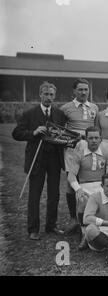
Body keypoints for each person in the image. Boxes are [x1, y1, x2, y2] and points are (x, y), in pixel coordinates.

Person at [12, 81, 67, 240]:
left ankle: (51, 225)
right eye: (46, 94)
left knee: (54, 194)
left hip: (54, 159)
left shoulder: (59, 114)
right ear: (40, 95)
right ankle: (33, 229)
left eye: (51, 95)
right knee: (35, 194)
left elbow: (63, 134)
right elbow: (17, 133)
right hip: (37, 158)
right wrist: (34, 132)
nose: (49, 97)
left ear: (54, 96)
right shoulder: (30, 113)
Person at [67, 126, 108, 249]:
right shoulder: (79, 152)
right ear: (86, 139)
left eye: (97, 138)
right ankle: (84, 234)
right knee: (82, 201)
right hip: (85, 185)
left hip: (101, 185)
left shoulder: (105, 151)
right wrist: (78, 189)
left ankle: (106, 230)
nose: (94, 140)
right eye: (91, 138)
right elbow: (71, 175)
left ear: (101, 139)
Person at [61, 78, 99, 234]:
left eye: (86, 89)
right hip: (73, 147)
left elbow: (96, 128)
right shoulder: (66, 108)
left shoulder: (94, 107)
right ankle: (73, 219)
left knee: (90, 176)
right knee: (72, 181)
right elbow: (61, 130)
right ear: (74, 91)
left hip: (90, 145)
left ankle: (90, 214)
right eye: (80, 89)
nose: (83, 92)